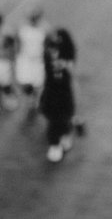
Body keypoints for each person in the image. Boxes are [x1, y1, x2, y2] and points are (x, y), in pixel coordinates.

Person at [39, 27, 77, 163]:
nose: (53, 52)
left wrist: (63, 65)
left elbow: (70, 72)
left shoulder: (67, 59)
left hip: (63, 93)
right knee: (54, 120)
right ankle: (55, 144)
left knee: (63, 118)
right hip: (52, 92)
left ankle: (63, 137)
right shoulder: (47, 56)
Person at [15, 7, 48, 116]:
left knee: (37, 82)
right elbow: (18, 43)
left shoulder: (44, 29)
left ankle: (34, 100)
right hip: (25, 59)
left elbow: (47, 45)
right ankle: (30, 97)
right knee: (25, 81)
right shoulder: (23, 29)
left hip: (38, 60)